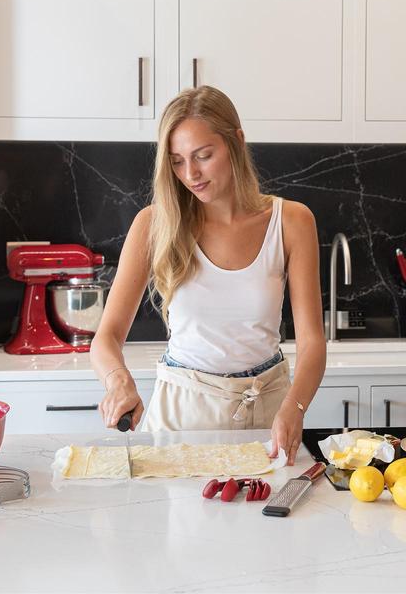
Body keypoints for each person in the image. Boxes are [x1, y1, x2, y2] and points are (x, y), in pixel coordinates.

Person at [90, 85, 326, 466]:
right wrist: (118, 381)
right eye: (178, 161)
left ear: (237, 141)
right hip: (184, 414)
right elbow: (106, 338)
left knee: (269, 523)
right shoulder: (154, 224)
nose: (191, 173)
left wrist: (295, 406)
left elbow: (313, 341)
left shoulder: (292, 222)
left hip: (269, 411)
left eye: (203, 155)